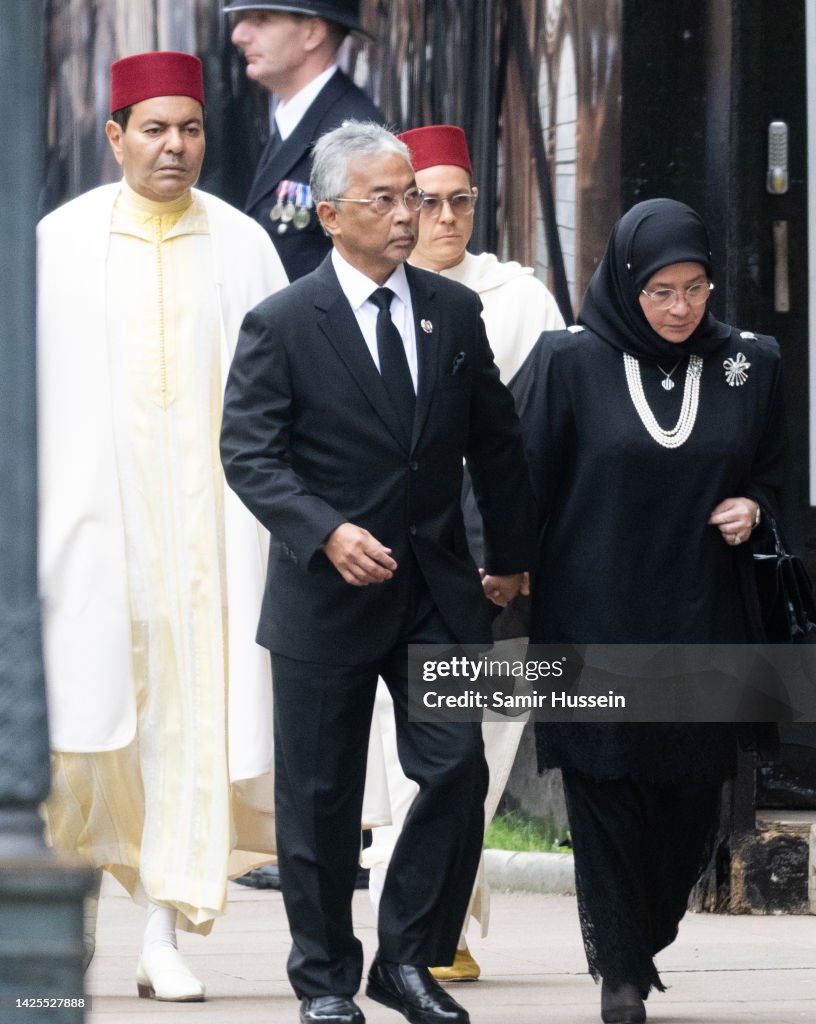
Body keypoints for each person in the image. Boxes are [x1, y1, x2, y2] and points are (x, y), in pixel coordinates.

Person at [220, 120, 536, 1024]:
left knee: (455, 774)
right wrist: (324, 532)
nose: (411, 215)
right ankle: (324, 981)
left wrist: (509, 559)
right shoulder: (282, 323)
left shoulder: (452, 310)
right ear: (328, 215)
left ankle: (407, 960)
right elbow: (250, 453)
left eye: (418, 197)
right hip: (326, 595)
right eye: (387, 200)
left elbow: (497, 446)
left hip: (437, 592)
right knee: (319, 801)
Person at [498, 198, 786, 1024]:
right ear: (627, 285)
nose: (680, 308)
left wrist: (754, 508)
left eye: (696, 289)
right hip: (593, 616)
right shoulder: (568, 363)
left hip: (704, 615)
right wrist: (503, 573)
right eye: (661, 291)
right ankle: (620, 974)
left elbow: (769, 472)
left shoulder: (748, 362)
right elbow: (523, 478)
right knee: (605, 786)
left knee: (693, 792)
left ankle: (644, 933)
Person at [38, 51, 288, 1002]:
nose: (174, 146)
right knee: (77, 731)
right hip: (89, 532)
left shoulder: (241, 244)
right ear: (115, 137)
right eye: (153, 129)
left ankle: (166, 933)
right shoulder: (57, 243)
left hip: (209, 539)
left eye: (189, 128)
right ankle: (68, 923)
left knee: (192, 726)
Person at [361, 123, 564, 982]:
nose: (442, 216)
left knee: (478, 758)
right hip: (391, 573)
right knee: (404, 765)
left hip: (499, 572)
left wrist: (522, 556)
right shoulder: (363, 300)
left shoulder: (522, 299)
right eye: (423, 198)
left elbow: (548, 435)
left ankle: (445, 924)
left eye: (459, 200)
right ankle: (408, 930)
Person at [226, 0, 384, 281]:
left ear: (312, 33)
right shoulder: (296, 117)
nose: (239, 35)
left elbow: (369, 272)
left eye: (262, 19)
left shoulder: (354, 138)